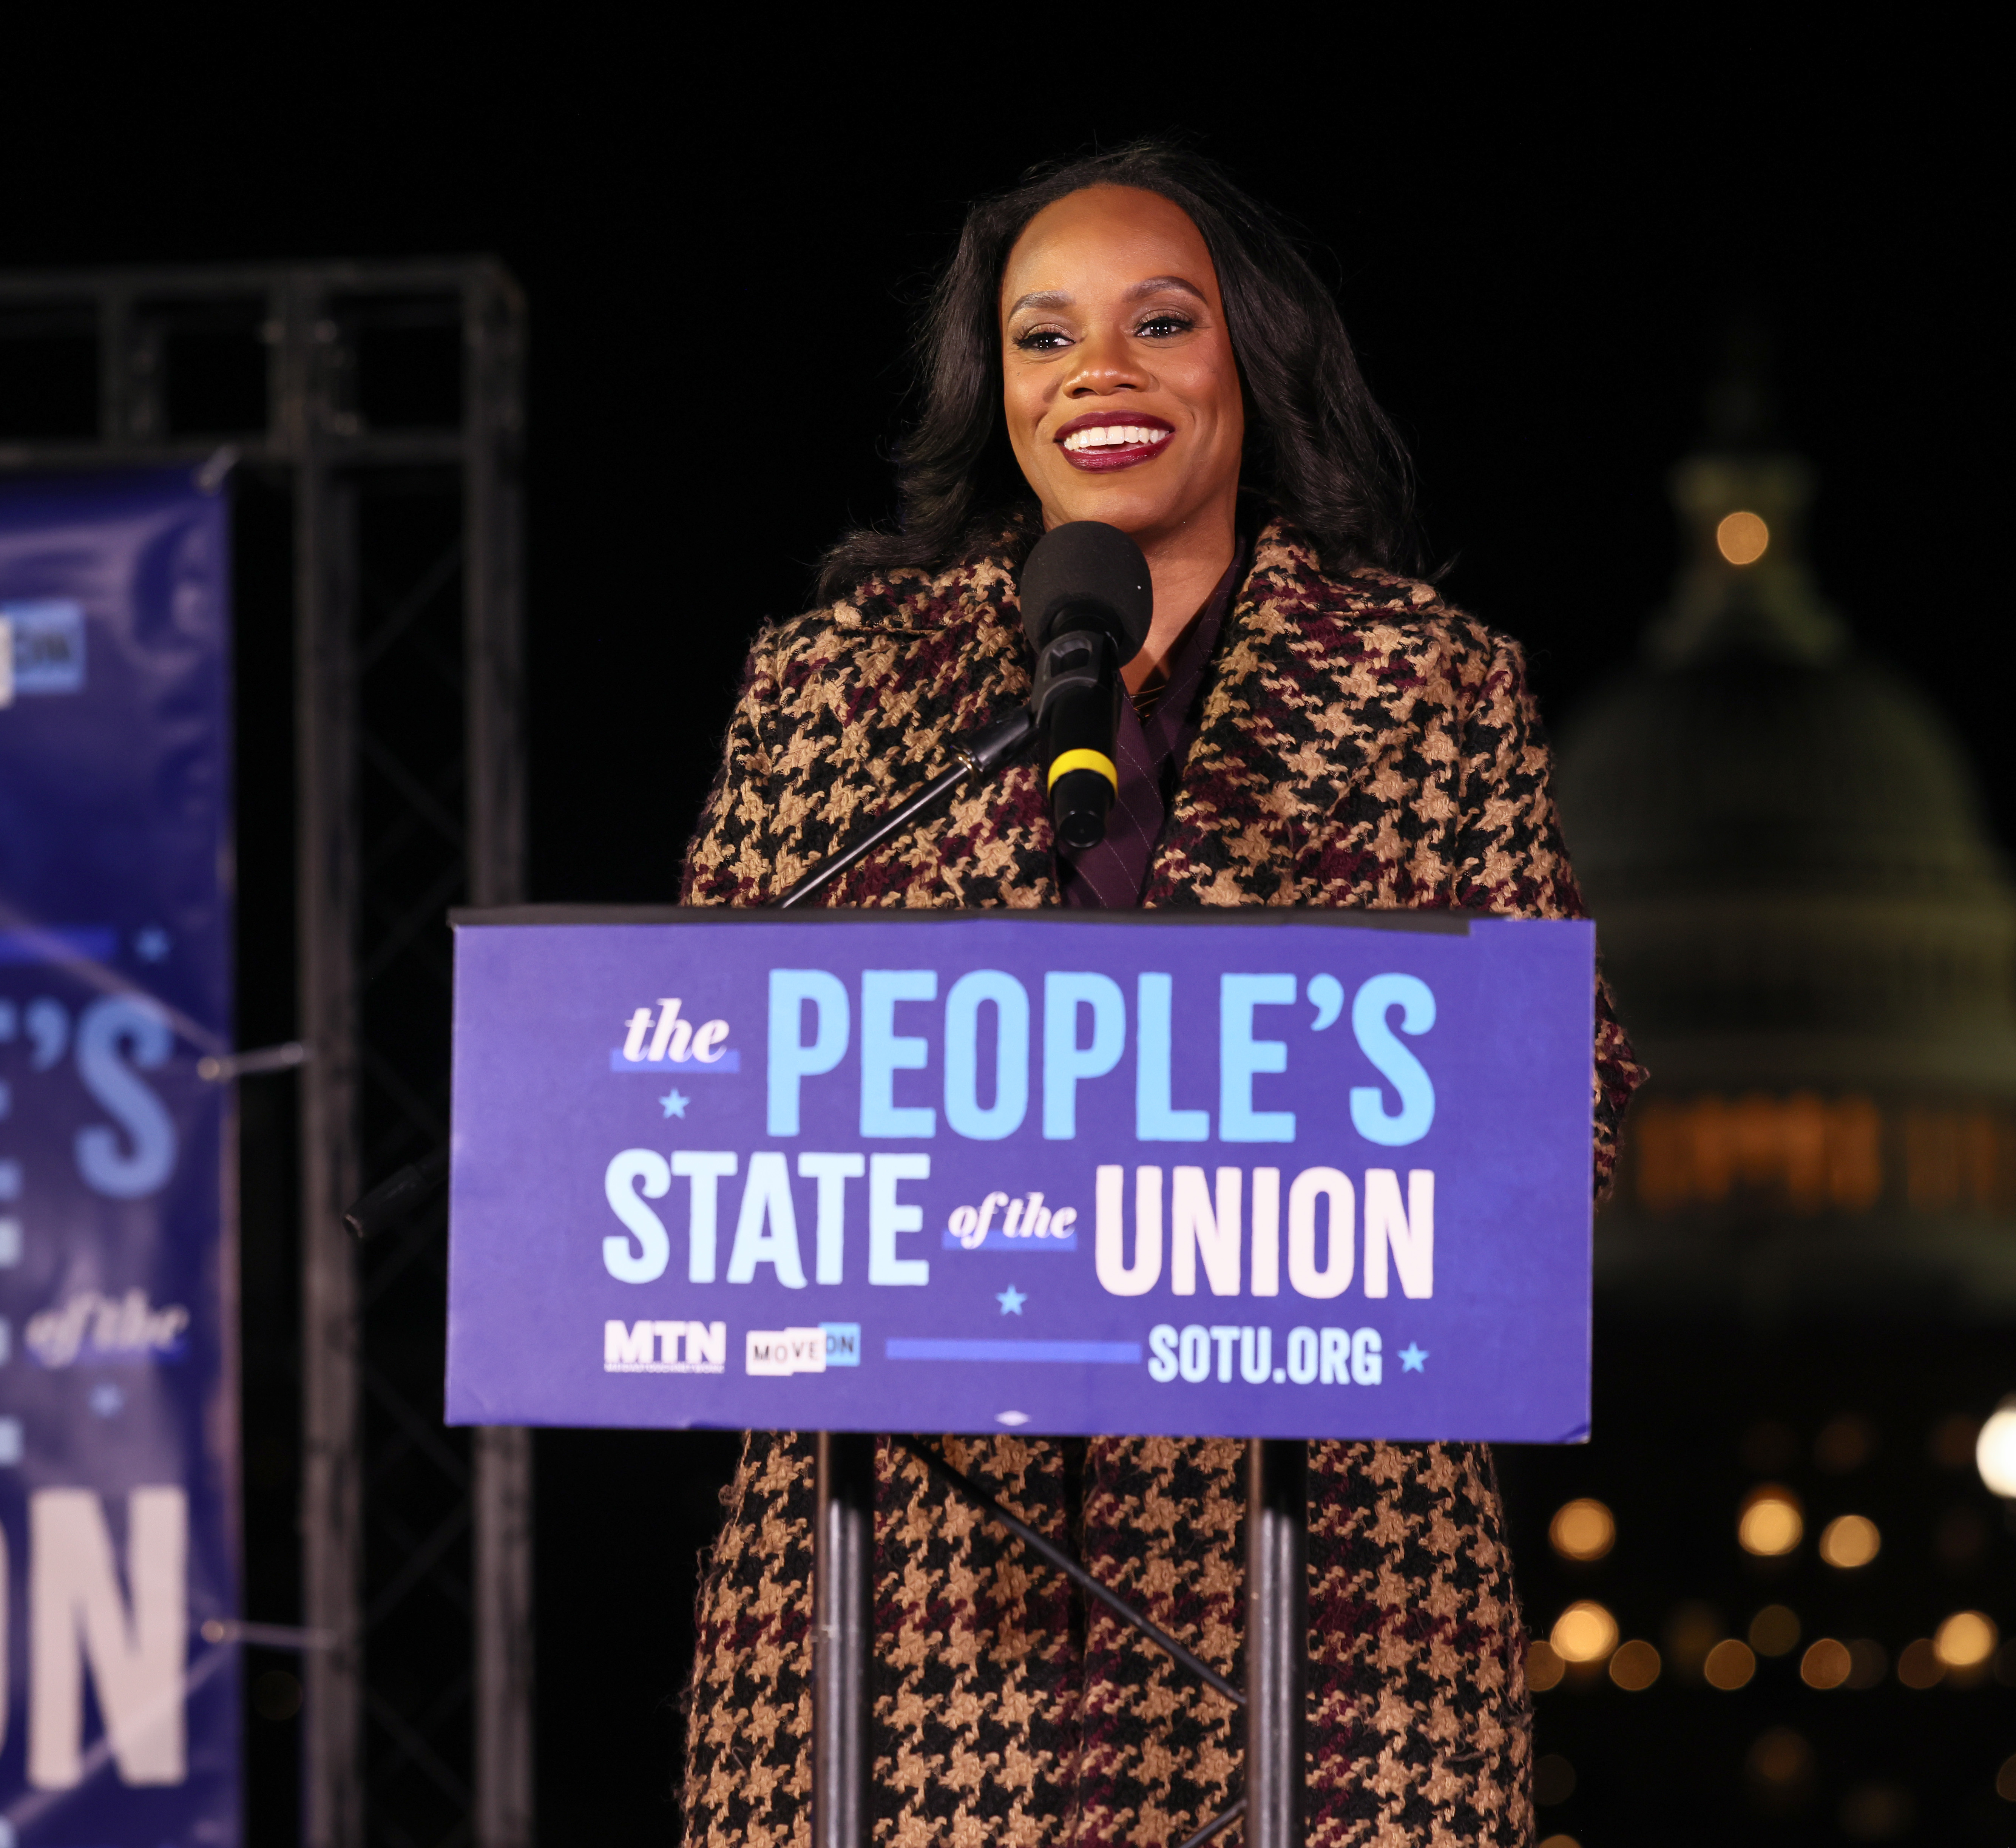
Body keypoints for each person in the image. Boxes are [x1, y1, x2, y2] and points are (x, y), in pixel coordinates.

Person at [676, 142, 1645, 1846]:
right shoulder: (838, 684)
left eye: (1159, 323)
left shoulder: (1426, 681)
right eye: (1042, 339)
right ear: (996, 390)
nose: (1097, 377)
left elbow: (1557, 1100)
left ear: (1247, 366)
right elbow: (683, 1076)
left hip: (1327, 1596)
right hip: (899, 1598)